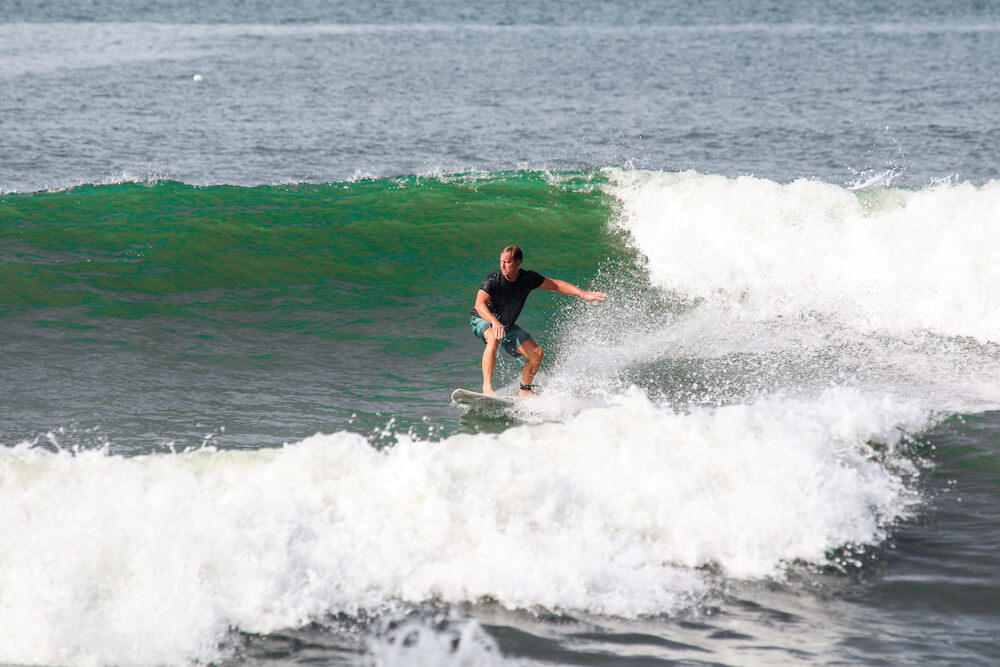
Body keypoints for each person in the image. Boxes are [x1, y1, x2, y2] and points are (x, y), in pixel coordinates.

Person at [470, 245, 606, 397]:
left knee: (536, 354)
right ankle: (487, 388)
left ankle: (525, 390)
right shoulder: (493, 280)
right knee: (494, 337)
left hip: (506, 325)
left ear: (518, 263)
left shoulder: (527, 279)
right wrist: (494, 321)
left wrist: (583, 294)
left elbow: (556, 285)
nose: (503, 265)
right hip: (483, 318)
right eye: (501, 261)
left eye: (507, 262)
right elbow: (479, 304)